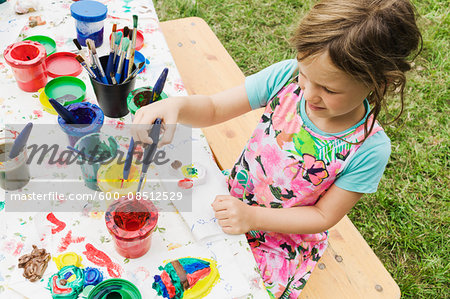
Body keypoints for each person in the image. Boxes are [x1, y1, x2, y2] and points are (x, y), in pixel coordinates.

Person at [132, 0, 422, 297]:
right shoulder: (286, 77)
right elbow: (215, 108)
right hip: (231, 196)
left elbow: (323, 216)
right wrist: (176, 106)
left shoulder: (369, 149)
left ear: (379, 80)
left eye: (329, 90)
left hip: (281, 239)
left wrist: (252, 218)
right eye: (305, 75)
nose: (308, 93)